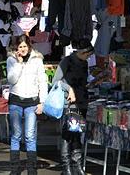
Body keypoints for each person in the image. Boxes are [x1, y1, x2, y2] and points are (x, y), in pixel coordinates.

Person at [7, 34, 48, 175]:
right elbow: (11, 80)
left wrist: (42, 102)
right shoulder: (11, 59)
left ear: (29, 46)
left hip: (32, 101)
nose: (23, 49)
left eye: (25, 46)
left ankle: (32, 168)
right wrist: (18, 64)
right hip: (15, 100)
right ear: (16, 47)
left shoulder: (37, 60)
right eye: (20, 46)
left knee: (30, 135)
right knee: (16, 135)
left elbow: (43, 81)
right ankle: (15, 168)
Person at [52, 39, 94, 175]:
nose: (89, 57)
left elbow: (83, 82)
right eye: (88, 54)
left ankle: (77, 165)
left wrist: (94, 82)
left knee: (77, 133)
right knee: (68, 134)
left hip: (82, 101)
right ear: (82, 52)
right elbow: (55, 81)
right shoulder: (67, 61)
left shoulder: (84, 63)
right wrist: (68, 88)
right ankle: (66, 166)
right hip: (69, 102)